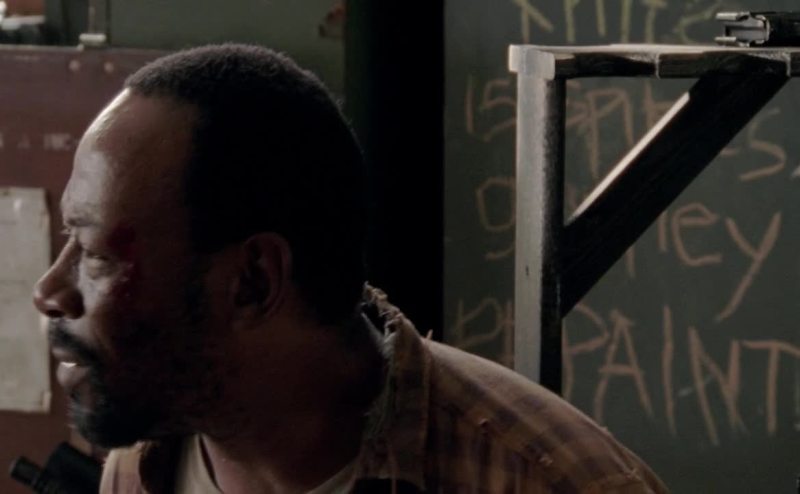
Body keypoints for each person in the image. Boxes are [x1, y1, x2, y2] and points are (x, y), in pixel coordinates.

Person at [32, 44, 668, 493]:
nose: (50, 291)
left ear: (253, 281)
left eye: (95, 254)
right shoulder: (144, 463)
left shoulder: (547, 482)